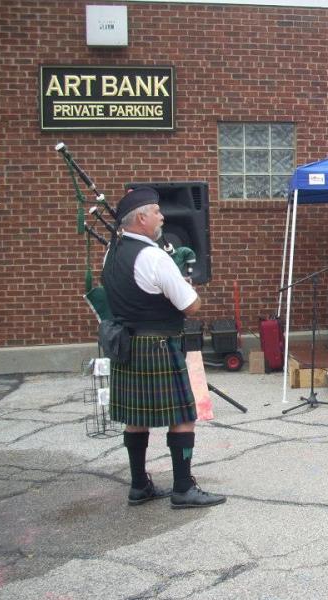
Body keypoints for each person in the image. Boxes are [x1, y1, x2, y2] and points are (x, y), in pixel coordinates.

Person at [102, 187, 226, 509]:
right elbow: (191, 306)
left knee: (135, 417)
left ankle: (139, 486)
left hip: (126, 345)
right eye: (156, 211)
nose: (162, 216)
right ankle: (183, 488)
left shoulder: (111, 253)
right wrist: (190, 291)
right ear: (141, 218)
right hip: (158, 345)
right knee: (184, 416)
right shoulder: (154, 256)